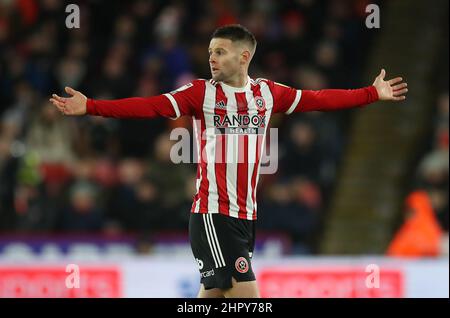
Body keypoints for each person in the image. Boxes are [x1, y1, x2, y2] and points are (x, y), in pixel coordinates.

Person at [50, 24, 408, 298]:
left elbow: (319, 98)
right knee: (248, 297)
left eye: (220, 52)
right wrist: (92, 107)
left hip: (245, 216)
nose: (212, 59)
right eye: (210, 52)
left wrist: (371, 93)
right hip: (212, 213)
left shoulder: (267, 94)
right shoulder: (200, 93)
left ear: (244, 57)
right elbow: (151, 105)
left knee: (214, 298)